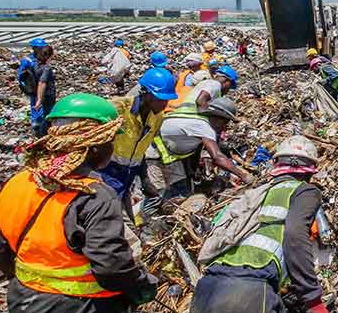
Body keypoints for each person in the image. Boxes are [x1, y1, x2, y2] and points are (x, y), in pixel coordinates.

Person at [0, 93, 158, 313]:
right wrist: (141, 286)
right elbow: (111, 266)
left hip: (25, 307)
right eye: (110, 141)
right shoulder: (94, 195)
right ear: (94, 147)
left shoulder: (18, 183)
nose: (112, 148)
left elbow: (0, 250)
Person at [191, 135, 329, 313]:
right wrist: (313, 300)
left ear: (277, 166)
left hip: (204, 295)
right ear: (310, 172)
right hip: (246, 299)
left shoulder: (255, 195)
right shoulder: (305, 191)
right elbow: (295, 236)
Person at [98, 68, 179, 217]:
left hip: (128, 174)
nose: (164, 105)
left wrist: (144, 179)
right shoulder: (118, 108)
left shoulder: (157, 118)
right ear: (146, 94)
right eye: (160, 99)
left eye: (167, 100)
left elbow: (140, 151)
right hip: (107, 171)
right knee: (112, 217)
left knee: (124, 217)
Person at [155, 97, 248, 201]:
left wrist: (194, 170)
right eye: (225, 122)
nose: (224, 127)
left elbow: (196, 149)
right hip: (155, 153)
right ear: (218, 118)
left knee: (181, 191)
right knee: (160, 196)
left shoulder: (198, 119)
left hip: (167, 153)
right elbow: (217, 157)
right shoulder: (204, 127)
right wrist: (244, 176)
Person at [22, 42, 56, 138]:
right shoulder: (47, 69)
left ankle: (38, 131)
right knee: (47, 115)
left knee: (40, 114)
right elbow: (42, 82)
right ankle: (42, 135)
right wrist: (39, 100)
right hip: (47, 95)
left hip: (36, 92)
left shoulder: (35, 66)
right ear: (50, 56)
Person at [172, 64, 238, 113]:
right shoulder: (215, 84)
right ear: (226, 81)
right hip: (188, 118)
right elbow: (200, 100)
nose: (228, 90)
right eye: (230, 86)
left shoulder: (204, 84)